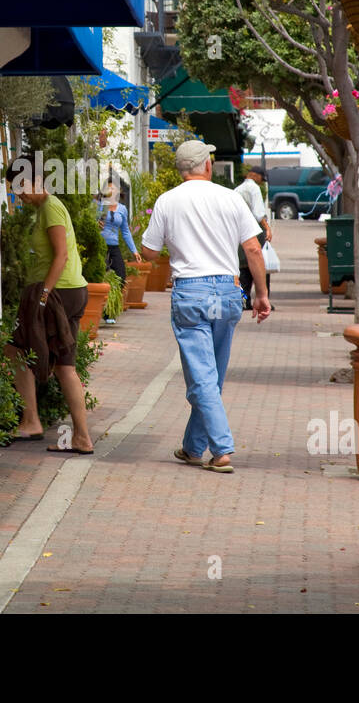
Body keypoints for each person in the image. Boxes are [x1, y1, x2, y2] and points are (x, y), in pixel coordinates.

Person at [141, 140, 270, 474]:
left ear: (180, 170)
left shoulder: (167, 201)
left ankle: (222, 449)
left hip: (191, 293)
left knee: (202, 377)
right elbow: (254, 249)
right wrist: (262, 294)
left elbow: (149, 254)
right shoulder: (231, 198)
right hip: (228, 291)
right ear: (208, 166)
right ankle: (192, 447)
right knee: (210, 376)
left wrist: (173, 241)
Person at [3, 162, 95, 454]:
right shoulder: (45, 209)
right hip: (65, 291)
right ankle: (69, 433)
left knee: (21, 352)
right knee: (53, 362)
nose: (19, 195)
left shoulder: (51, 208)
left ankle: (37, 423)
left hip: (58, 293)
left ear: (37, 180)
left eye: (21, 187)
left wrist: (43, 296)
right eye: (14, 190)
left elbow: (61, 255)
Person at [97, 181, 141, 323]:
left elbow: (126, 231)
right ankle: (100, 310)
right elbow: (90, 223)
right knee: (100, 278)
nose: (111, 189)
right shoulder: (99, 206)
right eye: (108, 187)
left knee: (120, 276)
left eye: (114, 187)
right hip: (100, 247)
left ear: (118, 191)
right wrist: (95, 224)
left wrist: (134, 251)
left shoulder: (122, 209)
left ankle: (108, 312)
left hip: (114, 247)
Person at [234, 165, 273, 308]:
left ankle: (243, 300)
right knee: (260, 266)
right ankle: (263, 299)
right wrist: (267, 228)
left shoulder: (237, 190)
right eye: (262, 178)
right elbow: (258, 213)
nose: (262, 182)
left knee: (243, 269)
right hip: (254, 232)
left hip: (239, 234)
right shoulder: (254, 188)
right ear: (254, 175)